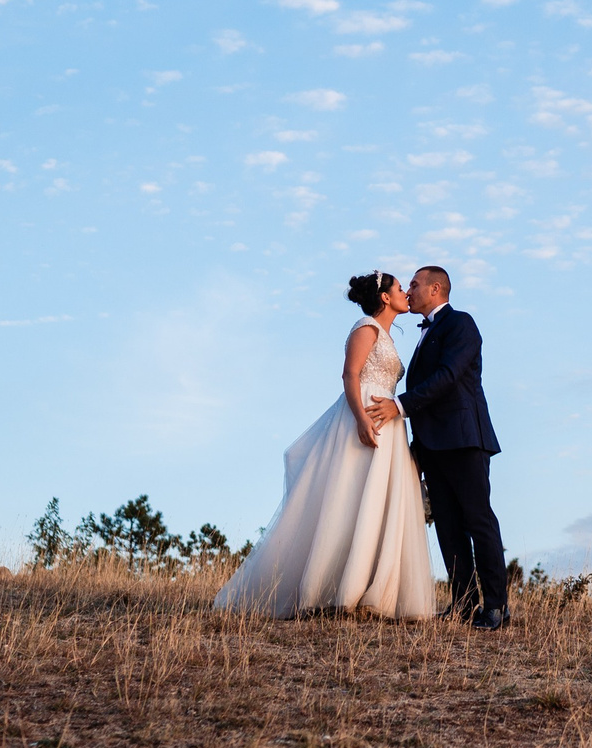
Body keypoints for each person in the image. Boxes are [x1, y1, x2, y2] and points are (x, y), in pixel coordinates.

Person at [212, 271, 434, 619]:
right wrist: (360, 418)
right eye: (399, 287)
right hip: (364, 413)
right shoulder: (366, 328)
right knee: (350, 496)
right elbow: (350, 374)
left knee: (376, 501)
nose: (405, 292)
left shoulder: (389, 336)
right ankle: (331, 590)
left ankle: (372, 589)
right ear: (385, 297)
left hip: (389, 420)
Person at [367, 264, 507, 628]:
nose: (409, 291)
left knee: (478, 520)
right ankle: (463, 604)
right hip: (433, 445)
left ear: (435, 289)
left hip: (463, 439)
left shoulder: (461, 323)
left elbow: (448, 377)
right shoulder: (424, 333)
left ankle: (496, 606)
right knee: (447, 525)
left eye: (414, 284)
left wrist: (399, 406)